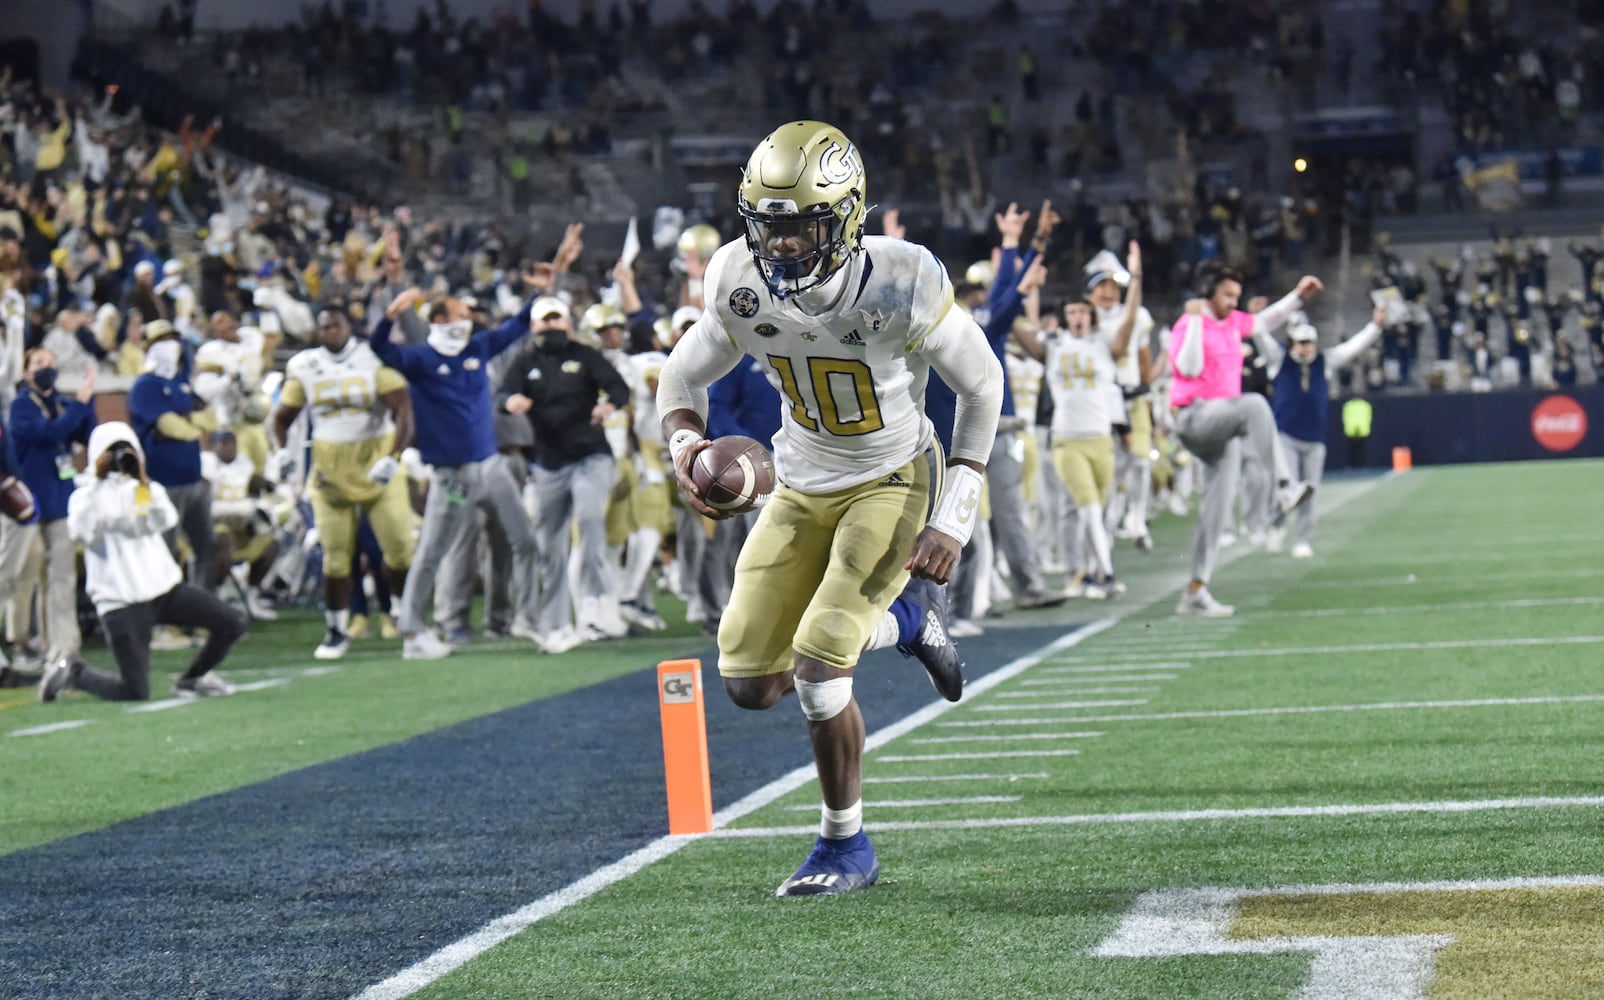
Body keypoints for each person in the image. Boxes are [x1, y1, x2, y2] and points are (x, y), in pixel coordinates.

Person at [657, 121, 1003, 897]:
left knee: (819, 668)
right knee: (751, 680)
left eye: (802, 226)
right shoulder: (735, 280)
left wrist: (955, 515)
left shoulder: (902, 279)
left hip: (893, 476)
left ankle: (844, 845)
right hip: (797, 481)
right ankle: (910, 623)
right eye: (769, 228)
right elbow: (679, 381)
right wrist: (686, 455)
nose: (781, 247)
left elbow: (981, 386)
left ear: (846, 216)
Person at [370, 288, 543, 656]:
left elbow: (516, 326)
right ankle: (414, 632)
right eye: (460, 312)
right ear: (439, 320)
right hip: (452, 476)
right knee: (433, 550)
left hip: (491, 465)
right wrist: (390, 317)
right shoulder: (420, 359)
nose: (467, 319)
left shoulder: (476, 348)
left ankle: (529, 619)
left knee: (525, 540)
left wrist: (541, 290)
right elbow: (380, 349)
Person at [42, 422, 247, 702]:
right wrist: (99, 481)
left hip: (163, 589)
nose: (118, 460)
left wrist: (143, 482)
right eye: (110, 452)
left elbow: (166, 520)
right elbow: (83, 533)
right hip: (120, 601)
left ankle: (193, 678)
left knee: (231, 622)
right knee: (135, 691)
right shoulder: (84, 495)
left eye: (125, 452)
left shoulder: (145, 488)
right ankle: (73, 674)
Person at [1169, 263, 1320, 616]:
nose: (1233, 302)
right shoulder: (1187, 324)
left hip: (1222, 428)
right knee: (1254, 404)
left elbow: (1266, 320)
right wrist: (1192, 320)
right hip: (1195, 417)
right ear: (1208, 290)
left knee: (1215, 512)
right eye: (1227, 294)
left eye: (1237, 295)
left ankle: (1195, 590)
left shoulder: (1233, 322)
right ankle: (1284, 485)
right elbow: (1188, 368)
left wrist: (1298, 297)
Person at [272, 308, 418, 659]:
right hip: (329, 469)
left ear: (348, 327)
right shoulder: (305, 366)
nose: (329, 331)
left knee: (399, 548)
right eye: (323, 326)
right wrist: (280, 452)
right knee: (335, 558)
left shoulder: (371, 357)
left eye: (335, 325)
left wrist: (393, 456)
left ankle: (402, 608)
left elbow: (404, 411)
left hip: (376, 461)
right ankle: (336, 629)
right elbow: (280, 419)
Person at [499, 296, 632, 648]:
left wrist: (608, 405)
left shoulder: (585, 355)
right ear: (534, 326)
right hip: (547, 461)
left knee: (589, 520)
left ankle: (594, 604)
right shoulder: (524, 359)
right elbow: (503, 392)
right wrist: (510, 401)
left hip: (591, 454)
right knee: (550, 546)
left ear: (567, 324)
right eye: (545, 321)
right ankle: (556, 624)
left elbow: (619, 387)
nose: (551, 326)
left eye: (557, 320)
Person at [1015, 243, 1144, 598]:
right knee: (1086, 508)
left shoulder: (1105, 345)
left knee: (1098, 511)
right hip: (1067, 438)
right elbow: (1018, 327)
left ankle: (1089, 573)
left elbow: (1130, 320)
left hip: (1101, 438)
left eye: (1081, 311)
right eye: (1070, 311)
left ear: (1091, 316)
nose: (1076, 316)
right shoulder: (1053, 345)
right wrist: (1015, 288)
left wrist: (1136, 278)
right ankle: (1103, 574)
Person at [1254, 306, 1385, 558]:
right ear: (1293, 343)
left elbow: (1353, 348)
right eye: (1302, 343)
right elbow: (1261, 336)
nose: (1307, 347)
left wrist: (1375, 327)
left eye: (1310, 343)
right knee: (1287, 486)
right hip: (1286, 435)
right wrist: (1259, 318)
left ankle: (1303, 540)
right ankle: (1277, 524)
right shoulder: (1279, 360)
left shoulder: (1325, 361)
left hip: (1314, 437)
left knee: (1310, 491)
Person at [5, 348, 96, 665]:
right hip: (27, 508)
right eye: (39, 363)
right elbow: (49, 434)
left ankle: (63, 647)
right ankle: (19, 644)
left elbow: (87, 432)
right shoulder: (20, 407)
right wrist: (80, 406)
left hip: (59, 503)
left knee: (61, 580)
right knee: (21, 577)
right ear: (27, 373)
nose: (47, 368)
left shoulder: (61, 404)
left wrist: (89, 400)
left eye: (50, 362)